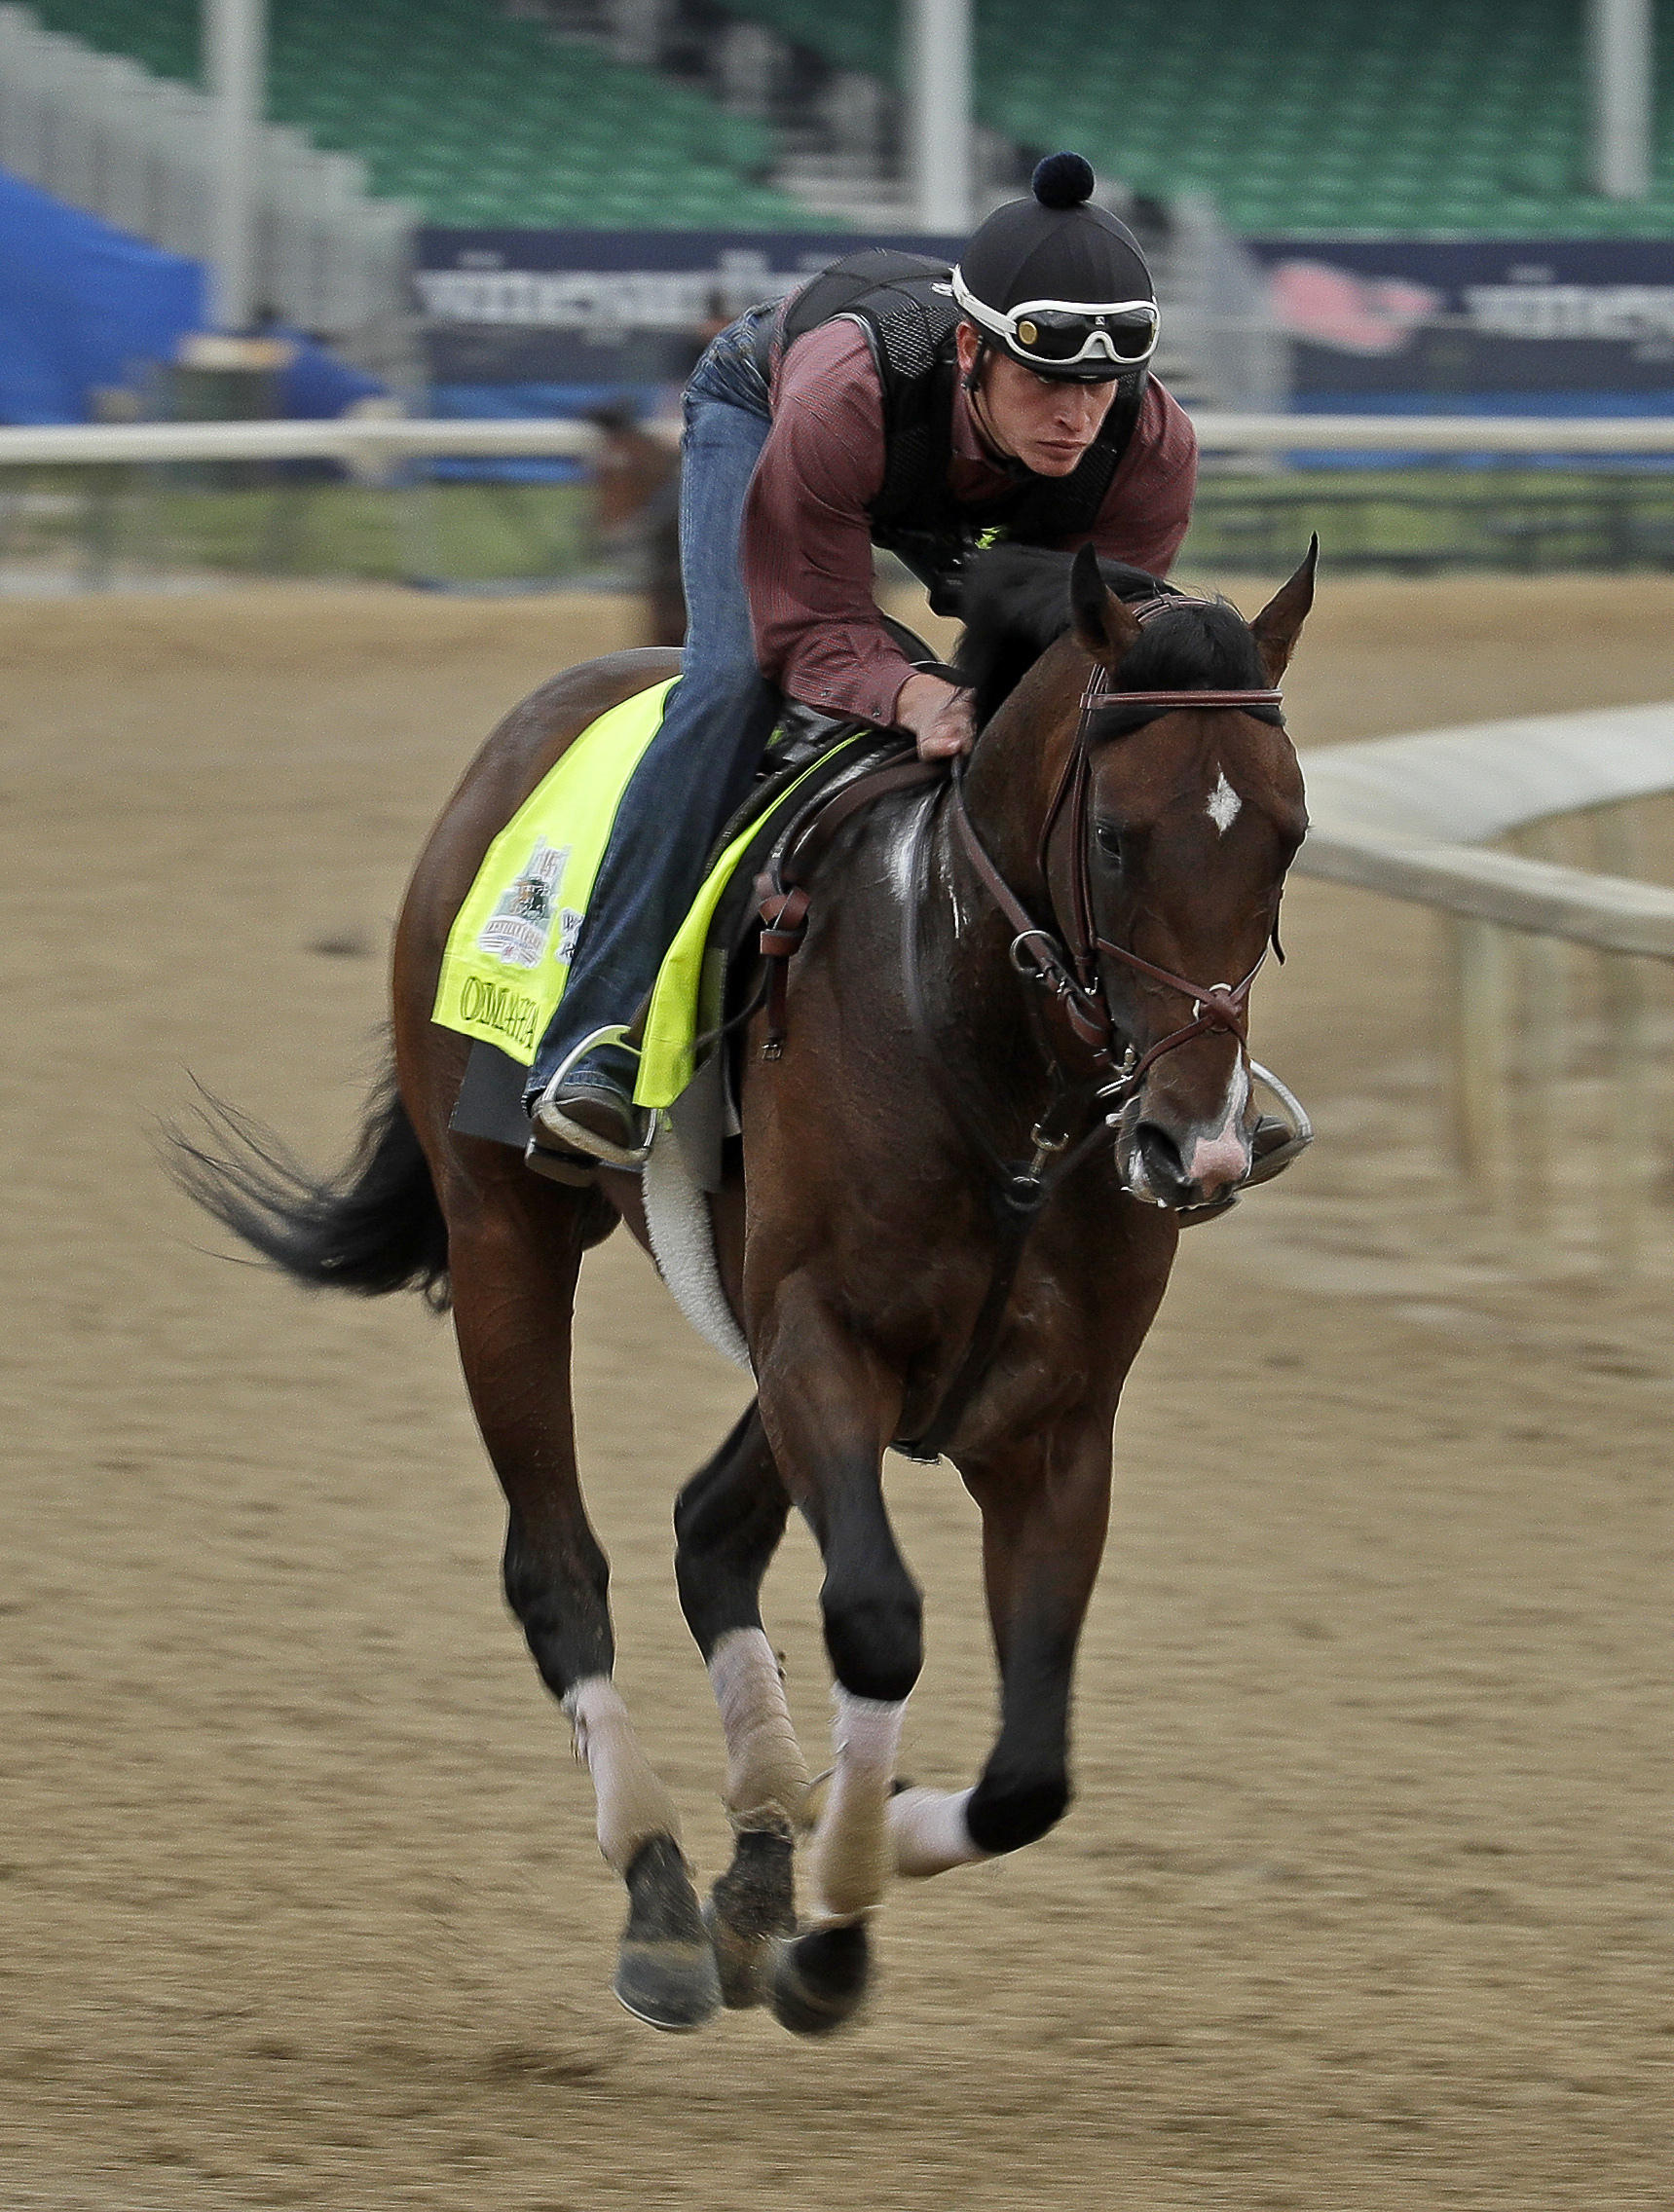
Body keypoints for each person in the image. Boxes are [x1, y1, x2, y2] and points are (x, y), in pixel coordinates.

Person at [526, 152, 1198, 1173]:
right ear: (972, 347)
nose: (1077, 415)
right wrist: (905, 687)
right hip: (771, 405)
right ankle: (590, 1042)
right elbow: (807, 617)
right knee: (735, 676)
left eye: (1103, 386)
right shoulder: (840, 395)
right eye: (1049, 381)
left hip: (951, 471)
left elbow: (1082, 655)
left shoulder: (1147, 444)